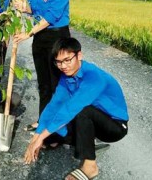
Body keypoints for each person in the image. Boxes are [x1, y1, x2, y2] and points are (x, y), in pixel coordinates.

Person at [24, 38, 129, 180]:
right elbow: (54, 105)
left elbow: (71, 108)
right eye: (59, 62)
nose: (63, 66)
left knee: (81, 111)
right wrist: (37, 136)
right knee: (51, 132)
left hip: (115, 126)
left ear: (79, 56)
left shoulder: (94, 76)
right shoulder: (66, 77)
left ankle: (90, 167)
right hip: (92, 120)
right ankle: (86, 141)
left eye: (68, 60)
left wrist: (41, 137)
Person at [13, 0, 72, 131]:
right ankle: (43, 121)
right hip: (40, 37)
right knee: (43, 84)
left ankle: (59, 127)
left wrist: (28, 33)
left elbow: (52, 16)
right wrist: (24, 7)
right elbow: (36, 11)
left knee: (57, 84)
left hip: (57, 36)